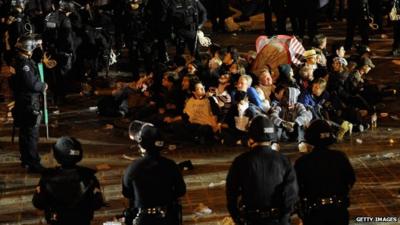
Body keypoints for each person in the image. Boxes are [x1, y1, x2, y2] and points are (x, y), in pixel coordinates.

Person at [226, 115, 298, 225]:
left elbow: (231, 194)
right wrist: (285, 218)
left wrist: (237, 218)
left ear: (251, 137)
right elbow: (291, 194)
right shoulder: (283, 160)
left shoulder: (240, 161)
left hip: (251, 218)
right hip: (277, 219)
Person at [123, 121, 186, 225]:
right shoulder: (170, 165)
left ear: (142, 144)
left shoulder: (133, 168)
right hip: (167, 218)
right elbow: (181, 191)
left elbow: (127, 193)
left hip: (142, 218)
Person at [295, 120, 356, 225]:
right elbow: (351, 180)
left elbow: (297, 188)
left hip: (314, 213)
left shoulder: (302, 162)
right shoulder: (340, 157)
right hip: (338, 210)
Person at [32, 136, 105, 225]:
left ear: (57, 155)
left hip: (56, 221)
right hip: (82, 221)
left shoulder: (47, 177)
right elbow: (97, 203)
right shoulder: (89, 177)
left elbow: (38, 203)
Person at [10, 34, 47, 173]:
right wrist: (42, 86)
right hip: (29, 102)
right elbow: (31, 83)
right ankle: (33, 162)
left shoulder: (17, 60)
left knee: (25, 133)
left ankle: (26, 160)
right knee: (31, 134)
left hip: (21, 101)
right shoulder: (24, 63)